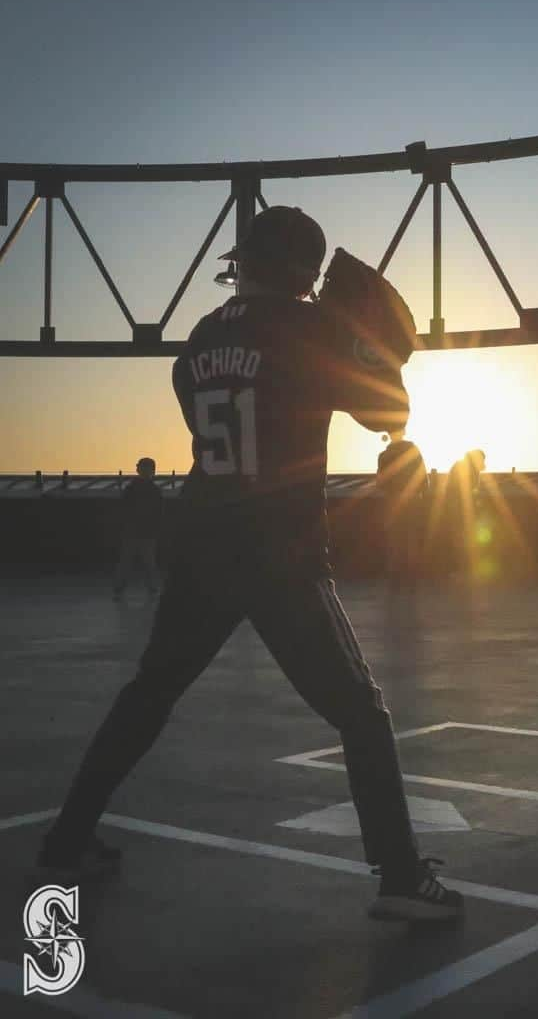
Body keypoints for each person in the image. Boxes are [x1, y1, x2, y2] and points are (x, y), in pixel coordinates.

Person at [36, 206, 463, 922]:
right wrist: (360, 340)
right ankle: (399, 878)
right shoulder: (312, 329)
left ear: (246, 262)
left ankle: (67, 839)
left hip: (202, 540)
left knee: (149, 692)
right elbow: (389, 412)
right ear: (303, 269)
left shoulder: (202, 336)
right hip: (282, 549)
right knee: (361, 713)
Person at [375, 433, 429, 580]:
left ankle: (396, 574)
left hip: (393, 501)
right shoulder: (414, 451)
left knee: (396, 538)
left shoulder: (384, 456)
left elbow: (380, 481)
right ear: (403, 433)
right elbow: (423, 477)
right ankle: (413, 573)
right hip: (413, 500)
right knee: (411, 536)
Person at [112, 456, 164, 600]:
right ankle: (149, 588)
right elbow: (159, 512)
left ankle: (121, 588)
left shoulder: (134, 489)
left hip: (139, 532)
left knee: (136, 562)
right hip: (139, 532)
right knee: (138, 562)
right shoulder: (150, 490)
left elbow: (124, 509)